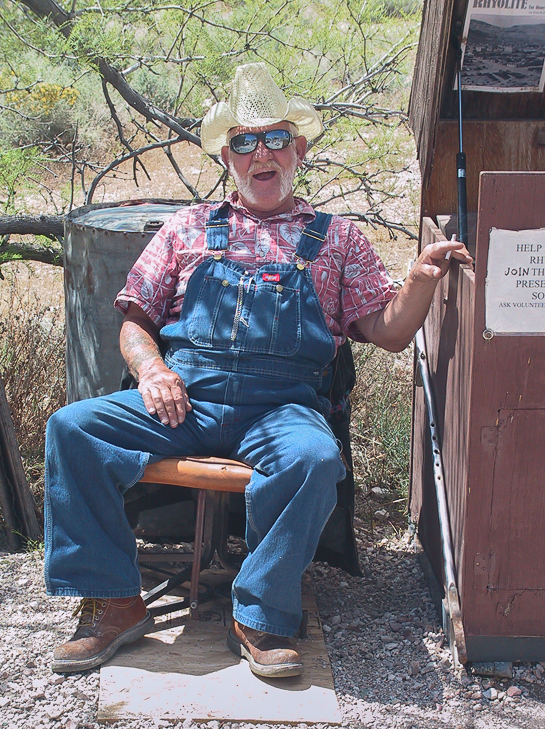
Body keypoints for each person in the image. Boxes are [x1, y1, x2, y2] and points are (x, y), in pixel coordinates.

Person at [45, 63, 470, 678]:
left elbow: (391, 332)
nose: (260, 154)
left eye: (274, 138)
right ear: (227, 157)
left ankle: (260, 613)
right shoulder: (187, 227)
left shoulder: (338, 239)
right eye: (244, 142)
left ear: (299, 149)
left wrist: (421, 280)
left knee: (314, 458)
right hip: (186, 402)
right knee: (72, 430)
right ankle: (114, 602)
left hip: (281, 408)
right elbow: (135, 320)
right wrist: (152, 371)